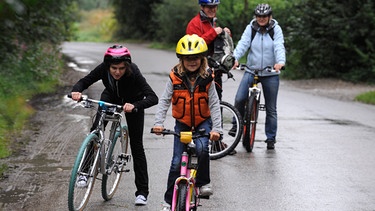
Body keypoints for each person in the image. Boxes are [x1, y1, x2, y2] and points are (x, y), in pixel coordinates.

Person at [70, 44, 158, 206]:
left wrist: (135, 106)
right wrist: (77, 90)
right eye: (113, 68)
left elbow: (153, 97)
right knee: (95, 131)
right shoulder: (103, 68)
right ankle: (84, 172)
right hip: (110, 97)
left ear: (127, 66)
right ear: (108, 66)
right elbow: (85, 81)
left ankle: (142, 192)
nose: (117, 72)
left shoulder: (134, 72)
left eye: (121, 68)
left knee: (137, 146)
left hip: (133, 103)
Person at [152, 34, 222, 211]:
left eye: (196, 58)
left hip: (202, 122)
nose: (192, 62)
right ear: (181, 60)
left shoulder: (207, 79)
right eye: (188, 58)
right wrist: (158, 123)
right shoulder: (174, 77)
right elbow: (164, 100)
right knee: (176, 162)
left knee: (201, 149)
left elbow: (214, 104)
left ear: (202, 59)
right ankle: (169, 201)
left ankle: (203, 182)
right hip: (182, 123)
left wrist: (217, 129)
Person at [231, 3, 286, 150]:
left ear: (269, 17)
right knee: (240, 98)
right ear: (255, 17)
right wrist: (234, 58)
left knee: (271, 108)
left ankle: (270, 139)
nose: (261, 19)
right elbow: (243, 44)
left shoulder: (276, 29)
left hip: (270, 73)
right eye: (259, 16)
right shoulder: (251, 28)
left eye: (264, 16)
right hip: (251, 70)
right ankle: (236, 126)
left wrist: (280, 62)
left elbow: (279, 45)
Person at [186, 0, 236, 155]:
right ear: (202, 7)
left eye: (214, 7)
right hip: (199, 70)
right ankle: (198, 140)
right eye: (209, 7)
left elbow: (219, 45)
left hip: (216, 70)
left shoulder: (213, 22)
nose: (212, 9)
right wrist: (213, 33)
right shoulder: (194, 24)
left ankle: (216, 141)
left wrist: (225, 33)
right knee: (200, 104)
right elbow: (193, 46)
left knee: (216, 104)